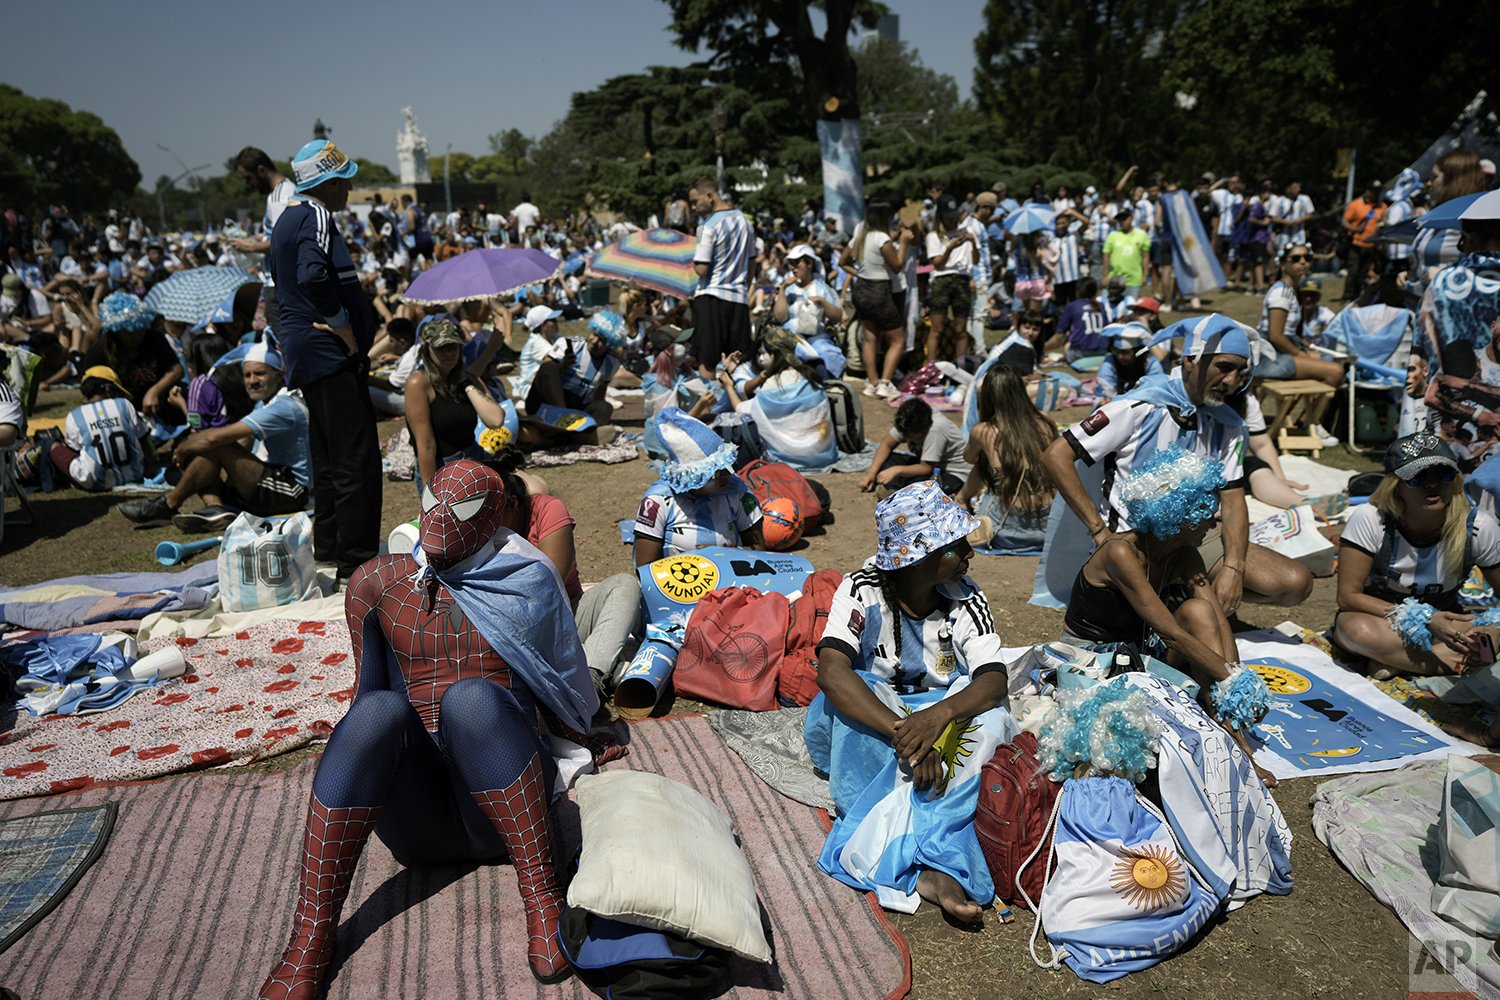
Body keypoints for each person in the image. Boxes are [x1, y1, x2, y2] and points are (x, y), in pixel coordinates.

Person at [258, 461, 622, 997]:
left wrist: (587, 735)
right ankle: (310, 937)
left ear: (496, 515)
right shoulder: (375, 582)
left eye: (463, 508)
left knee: (471, 699)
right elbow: (369, 697)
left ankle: (543, 897)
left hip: (505, 813)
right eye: (433, 502)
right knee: (377, 712)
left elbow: (558, 678)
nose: (442, 519)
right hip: (418, 816)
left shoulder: (526, 576)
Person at [806, 480, 1015, 921]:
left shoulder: (965, 596)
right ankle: (919, 855)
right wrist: (908, 736)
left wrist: (935, 719)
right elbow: (832, 671)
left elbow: (992, 679)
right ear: (922, 557)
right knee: (854, 689)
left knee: (991, 715)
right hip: (883, 715)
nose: (968, 554)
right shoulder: (860, 589)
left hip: (937, 715)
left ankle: (931, 857)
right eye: (957, 546)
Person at [1041, 314, 1314, 612]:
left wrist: (1234, 568)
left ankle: (1184, 595)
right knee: (1177, 631)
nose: (1232, 381)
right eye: (1224, 367)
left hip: (1192, 539)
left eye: (1240, 372)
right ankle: (1180, 600)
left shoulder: (1229, 425)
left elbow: (1234, 500)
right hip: (1133, 541)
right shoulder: (1137, 407)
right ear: (1190, 361)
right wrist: (1099, 531)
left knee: (1295, 583)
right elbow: (1056, 455)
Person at [1060, 446, 1276, 785]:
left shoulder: (1183, 553)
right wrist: (1229, 680)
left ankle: (1231, 732)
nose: (1212, 521)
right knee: (1191, 632)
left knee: (1199, 611)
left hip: (1137, 649)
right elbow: (1170, 632)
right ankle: (1231, 740)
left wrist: (1238, 682)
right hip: (1091, 658)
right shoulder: (1120, 552)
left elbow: (1217, 620)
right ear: (1181, 515)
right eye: (1206, 513)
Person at [269, 140, 381, 584]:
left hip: (307, 351)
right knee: (356, 459)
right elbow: (312, 275)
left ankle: (333, 548)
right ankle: (356, 562)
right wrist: (343, 325)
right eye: (345, 180)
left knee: (330, 455)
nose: (350, 188)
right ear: (328, 183)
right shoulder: (315, 213)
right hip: (326, 351)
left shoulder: (285, 219)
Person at [1332, 435, 1500, 683]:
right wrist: (1427, 618)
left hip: (1450, 627)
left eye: (1443, 474)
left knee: (1488, 633)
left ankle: (1398, 660)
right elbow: (1348, 597)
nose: (1432, 485)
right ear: (1395, 485)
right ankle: (1455, 663)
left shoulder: (1478, 526)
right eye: (1417, 477)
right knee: (1354, 630)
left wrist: (1491, 630)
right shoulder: (1371, 518)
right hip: (1382, 621)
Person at [118, 343, 310, 531]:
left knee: (213, 444)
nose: (252, 380)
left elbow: (215, 437)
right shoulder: (266, 401)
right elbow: (241, 443)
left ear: (279, 376)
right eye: (247, 375)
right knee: (206, 449)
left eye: (259, 373)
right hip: (272, 477)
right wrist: (218, 462)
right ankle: (215, 509)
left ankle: (167, 504)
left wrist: (185, 448)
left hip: (293, 490)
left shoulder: (284, 406)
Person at [632, 407, 764, 566]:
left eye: (726, 466)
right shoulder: (657, 501)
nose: (727, 475)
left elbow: (760, 551)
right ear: (691, 478)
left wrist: (722, 555)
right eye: (714, 472)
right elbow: (645, 569)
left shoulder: (738, 492)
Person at [958, 364, 1057, 551]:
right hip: (1048, 525)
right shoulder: (1045, 423)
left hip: (1007, 530)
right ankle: (962, 499)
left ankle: (961, 499)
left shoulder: (984, 431)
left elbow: (969, 458)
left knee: (982, 461)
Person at [404, 318, 511, 491]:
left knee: (534, 487)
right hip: (444, 467)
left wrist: (467, 385)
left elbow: (496, 420)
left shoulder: (464, 377)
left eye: (453, 347)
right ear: (427, 350)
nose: (449, 353)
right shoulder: (418, 383)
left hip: (475, 458)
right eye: (441, 348)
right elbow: (426, 445)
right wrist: (430, 494)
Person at [718, 328, 838, 470]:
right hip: (822, 452)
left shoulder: (774, 383)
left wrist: (729, 387)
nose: (760, 359)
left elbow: (741, 411)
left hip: (788, 456)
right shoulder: (810, 376)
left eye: (764, 353)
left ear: (776, 354)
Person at [840, 199, 912, 399]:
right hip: (879, 291)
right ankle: (885, 382)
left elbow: (842, 262)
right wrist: (903, 243)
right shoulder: (882, 238)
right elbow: (897, 265)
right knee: (898, 340)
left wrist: (860, 272)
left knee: (870, 339)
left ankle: (872, 382)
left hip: (861, 289)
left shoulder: (860, 237)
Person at [1254, 245, 1345, 403]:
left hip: (1280, 351)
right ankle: (1313, 421)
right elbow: (1275, 336)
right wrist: (1300, 354)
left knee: (1328, 359)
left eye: (1307, 258)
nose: (1303, 262)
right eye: (1296, 259)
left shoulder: (1291, 290)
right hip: (1270, 357)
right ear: (1284, 265)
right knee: (1335, 372)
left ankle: (1307, 418)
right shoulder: (1281, 293)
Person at [84, 291, 184, 425]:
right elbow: (92, 392)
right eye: (129, 333)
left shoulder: (154, 339)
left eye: (140, 330)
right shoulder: (98, 352)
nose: (137, 336)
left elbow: (176, 369)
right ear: (115, 331)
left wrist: (155, 391)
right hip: (121, 414)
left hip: (160, 407)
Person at [688, 176, 754, 372]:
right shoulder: (746, 222)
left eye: (694, 201)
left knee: (706, 361)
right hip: (739, 299)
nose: (693, 207)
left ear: (709, 196)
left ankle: (707, 402)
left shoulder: (705, 227)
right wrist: (743, 288)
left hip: (711, 298)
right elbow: (752, 264)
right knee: (737, 363)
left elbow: (701, 269)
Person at [523, 310, 624, 433]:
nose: (595, 341)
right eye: (594, 334)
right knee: (549, 366)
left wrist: (600, 414)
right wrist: (563, 366)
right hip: (545, 401)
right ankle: (565, 422)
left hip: (575, 406)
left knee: (605, 407)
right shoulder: (569, 344)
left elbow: (600, 392)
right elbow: (545, 373)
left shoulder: (612, 362)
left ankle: (576, 431)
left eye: (602, 340)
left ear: (610, 344)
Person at [51, 366, 150, 490]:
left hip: (95, 484)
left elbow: (75, 451)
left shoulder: (75, 415)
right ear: (108, 389)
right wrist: (150, 469)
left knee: (53, 445)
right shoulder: (124, 404)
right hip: (135, 475)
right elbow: (143, 440)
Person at [230, 147, 296, 334]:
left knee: (286, 346)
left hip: (278, 285)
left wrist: (249, 247)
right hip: (285, 283)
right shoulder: (287, 190)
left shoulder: (278, 198)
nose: (248, 183)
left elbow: (282, 242)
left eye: (247, 177)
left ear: (261, 170)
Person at [862, 397, 972, 497]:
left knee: (924, 488)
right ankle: (898, 489)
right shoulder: (906, 422)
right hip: (927, 465)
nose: (905, 438)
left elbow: (927, 468)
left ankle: (899, 491)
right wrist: (871, 474)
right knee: (886, 461)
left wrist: (897, 470)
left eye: (909, 436)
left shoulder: (935, 429)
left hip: (953, 474)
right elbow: (887, 444)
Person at [771, 244, 845, 378]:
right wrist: (782, 289)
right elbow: (780, 318)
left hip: (818, 337)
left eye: (797, 263)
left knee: (827, 353)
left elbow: (838, 316)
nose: (793, 268)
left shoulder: (822, 288)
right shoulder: (788, 289)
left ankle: (827, 384)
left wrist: (823, 302)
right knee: (792, 350)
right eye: (791, 264)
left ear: (809, 264)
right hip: (792, 336)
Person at [924, 197, 976, 364]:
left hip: (962, 280)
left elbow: (976, 260)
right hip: (942, 280)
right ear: (940, 216)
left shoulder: (966, 231)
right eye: (948, 217)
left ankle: (960, 366)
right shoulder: (934, 236)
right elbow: (937, 265)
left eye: (954, 216)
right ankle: (931, 367)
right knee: (937, 328)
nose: (952, 221)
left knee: (961, 329)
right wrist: (949, 248)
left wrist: (973, 242)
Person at [1340, 179, 1385, 303]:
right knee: (1353, 271)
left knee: (1364, 272)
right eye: (1374, 191)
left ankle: (1360, 295)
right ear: (1368, 191)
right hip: (1356, 243)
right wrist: (1355, 229)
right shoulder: (1356, 204)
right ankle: (1347, 296)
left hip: (1372, 245)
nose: (1376, 194)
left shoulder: (1382, 206)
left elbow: (1385, 221)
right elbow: (1344, 221)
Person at [1094, 322, 1165, 398]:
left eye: (1126, 352)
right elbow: (1105, 391)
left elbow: (1157, 392)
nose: (1120, 356)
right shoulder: (1110, 362)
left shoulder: (1150, 363)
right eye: (1116, 351)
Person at [1102, 208, 1150, 296]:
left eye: (1124, 218)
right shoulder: (1113, 236)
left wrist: (1145, 276)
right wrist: (1105, 276)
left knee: (1131, 307)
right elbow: (1106, 256)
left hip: (1134, 280)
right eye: (1120, 219)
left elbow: (1145, 257)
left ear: (1131, 218)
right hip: (1114, 279)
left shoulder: (1142, 235)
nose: (1122, 222)